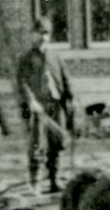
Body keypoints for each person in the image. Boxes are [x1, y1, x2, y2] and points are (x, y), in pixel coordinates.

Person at [15, 18, 74, 192]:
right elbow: (22, 82)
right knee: (37, 146)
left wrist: (71, 100)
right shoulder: (26, 58)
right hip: (38, 110)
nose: (42, 37)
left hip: (55, 106)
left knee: (56, 144)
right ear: (32, 35)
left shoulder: (55, 57)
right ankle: (35, 183)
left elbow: (65, 80)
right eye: (39, 33)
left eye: (46, 33)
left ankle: (54, 180)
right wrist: (31, 101)